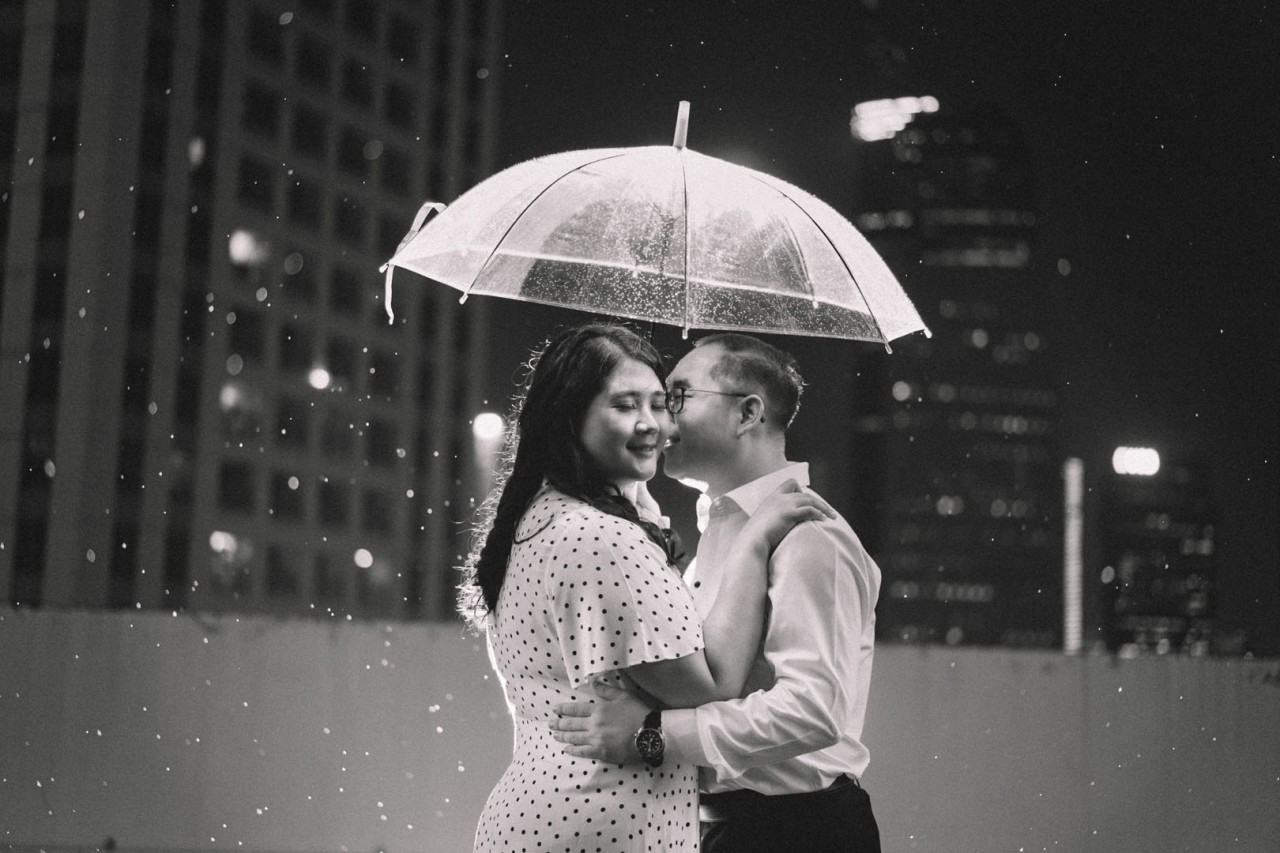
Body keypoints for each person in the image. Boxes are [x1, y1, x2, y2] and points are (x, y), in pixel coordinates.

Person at [461, 323, 832, 853]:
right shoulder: (600, 538)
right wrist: (753, 544)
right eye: (623, 405)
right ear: (569, 416)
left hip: (551, 813)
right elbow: (711, 684)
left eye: (661, 404)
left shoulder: (548, 516)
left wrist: (638, 512)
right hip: (594, 825)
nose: (652, 424)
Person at [550, 333, 883, 853]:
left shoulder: (809, 534)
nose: (661, 416)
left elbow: (812, 711)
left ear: (747, 413)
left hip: (798, 831)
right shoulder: (723, 530)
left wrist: (653, 734)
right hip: (730, 827)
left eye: (678, 396)